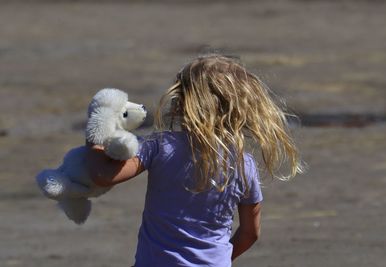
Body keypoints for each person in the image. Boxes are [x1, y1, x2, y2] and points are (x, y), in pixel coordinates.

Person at [86, 54, 303, 267]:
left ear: (182, 102)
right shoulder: (243, 165)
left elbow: (103, 176)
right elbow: (250, 233)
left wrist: (95, 135)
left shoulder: (160, 146)